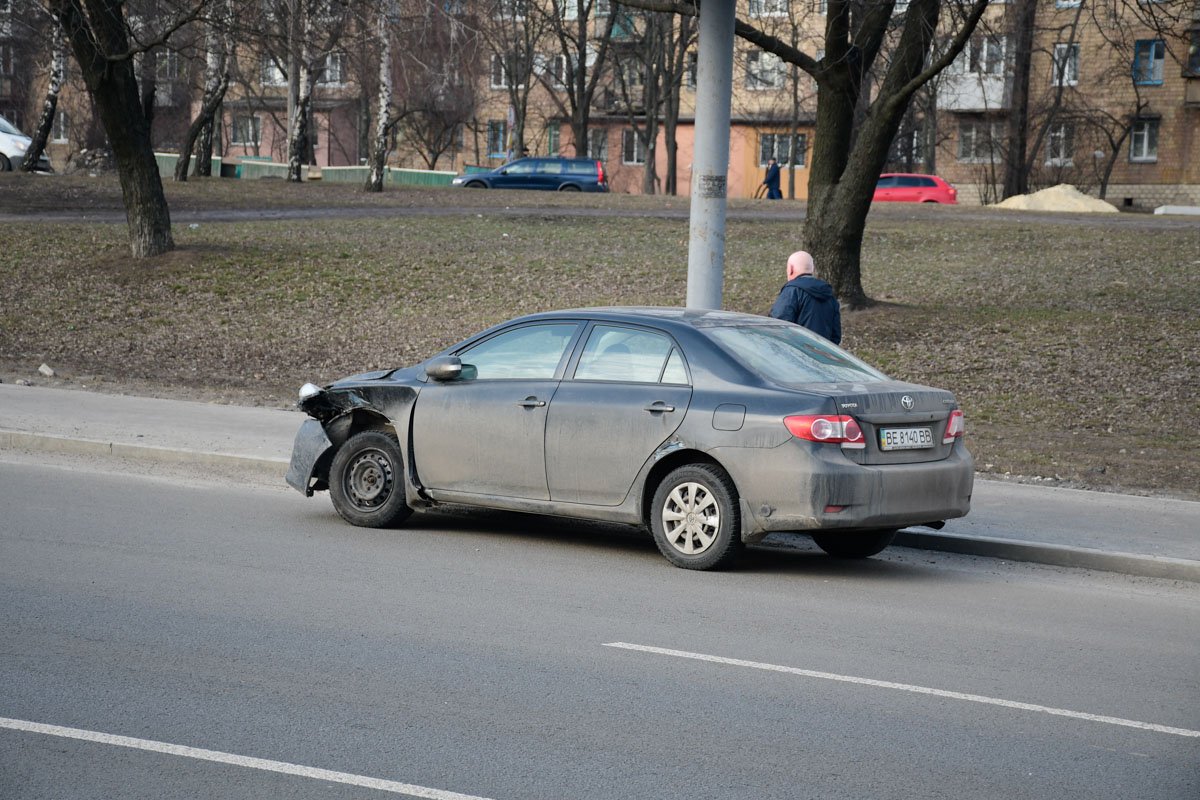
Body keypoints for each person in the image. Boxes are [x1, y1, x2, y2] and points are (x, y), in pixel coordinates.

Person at [768, 250, 842, 344]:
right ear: (812, 269)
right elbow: (836, 336)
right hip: (822, 355)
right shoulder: (829, 295)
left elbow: (777, 326)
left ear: (791, 269)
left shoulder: (792, 290)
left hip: (797, 353)